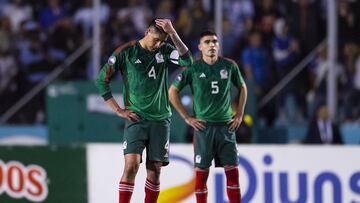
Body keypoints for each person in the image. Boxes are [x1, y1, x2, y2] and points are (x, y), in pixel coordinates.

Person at [95, 18, 193, 203]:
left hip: (161, 119)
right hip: (136, 118)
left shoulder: (165, 50)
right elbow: (101, 79)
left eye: (162, 41)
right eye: (156, 39)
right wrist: (117, 109)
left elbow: (187, 60)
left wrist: (172, 33)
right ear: (147, 31)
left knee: (155, 171)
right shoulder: (126, 52)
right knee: (131, 166)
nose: (158, 44)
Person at [169, 30, 247, 203]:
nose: (211, 45)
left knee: (233, 175)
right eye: (207, 42)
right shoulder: (193, 68)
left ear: (218, 45)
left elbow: (242, 87)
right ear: (200, 47)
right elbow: (172, 91)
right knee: (201, 176)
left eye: (214, 41)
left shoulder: (229, 65)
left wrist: (240, 114)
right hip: (204, 128)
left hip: (227, 127)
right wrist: (187, 118)